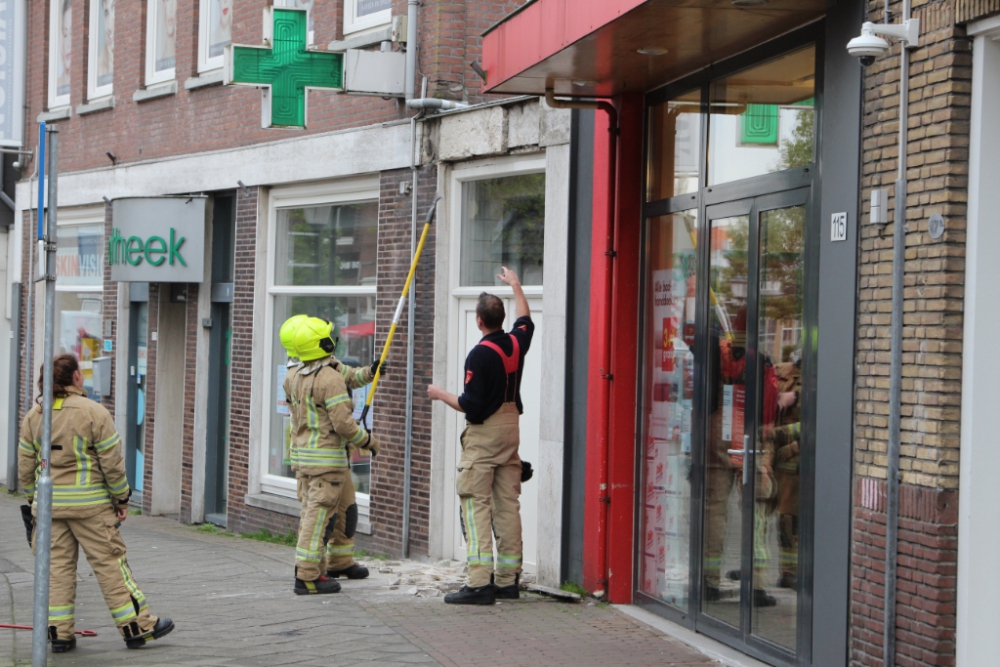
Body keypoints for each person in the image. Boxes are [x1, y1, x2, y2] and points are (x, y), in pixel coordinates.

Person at [18, 354, 174, 652]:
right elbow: (112, 462)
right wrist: (121, 498)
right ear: (76, 377)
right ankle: (136, 628)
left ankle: (59, 635)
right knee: (111, 567)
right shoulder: (94, 412)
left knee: (55, 571)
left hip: (49, 509)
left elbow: (26, 467)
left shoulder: (34, 417)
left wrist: (32, 500)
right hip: (91, 507)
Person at [427, 267, 534, 605]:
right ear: (500, 319)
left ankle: (478, 583)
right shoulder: (516, 343)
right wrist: (516, 284)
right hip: (511, 429)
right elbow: (526, 320)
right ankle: (507, 581)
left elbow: (471, 403)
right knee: (507, 506)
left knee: (475, 504)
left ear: (479, 322)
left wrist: (440, 394)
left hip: (485, 435)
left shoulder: (479, 354)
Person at [283, 316, 381, 594]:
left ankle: (337, 562)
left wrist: (370, 372)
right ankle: (308, 576)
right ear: (323, 343)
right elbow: (343, 424)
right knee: (318, 518)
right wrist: (370, 442)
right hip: (326, 461)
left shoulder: (297, 374)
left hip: (309, 459)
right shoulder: (328, 378)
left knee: (334, 512)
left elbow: (348, 375)